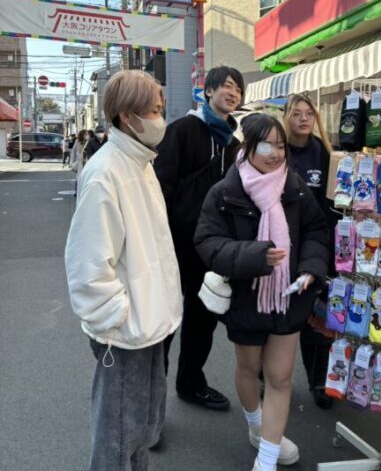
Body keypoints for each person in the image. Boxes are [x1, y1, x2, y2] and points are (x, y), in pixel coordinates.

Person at [194, 114, 329, 471]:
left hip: (288, 296)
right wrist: (256, 256)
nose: (275, 153)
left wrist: (310, 269)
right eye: (266, 145)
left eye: (280, 145)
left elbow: (316, 230)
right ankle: (256, 427)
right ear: (248, 146)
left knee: (280, 378)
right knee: (248, 368)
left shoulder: (294, 186)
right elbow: (207, 242)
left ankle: (266, 461)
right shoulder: (226, 192)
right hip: (246, 298)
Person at [65, 70, 182, 471]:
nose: (160, 119)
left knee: (142, 431)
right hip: (126, 332)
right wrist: (117, 318)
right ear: (126, 116)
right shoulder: (106, 172)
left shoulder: (139, 162)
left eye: (161, 110)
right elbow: (88, 265)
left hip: (147, 323)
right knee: (116, 440)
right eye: (154, 111)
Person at [154, 65, 244, 411]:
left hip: (213, 248)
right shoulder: (182, 130)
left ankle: (191, 383)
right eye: (227, 86)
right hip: (176, 243)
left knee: (203, 318)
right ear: (208, 91)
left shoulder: (235, 144)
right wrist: (159, 236)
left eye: (238, 89)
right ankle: (152, 402)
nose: (232, 93)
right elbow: (160, 187)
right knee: (165, 320)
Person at [283, 93, 336, 409]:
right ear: (286, 117)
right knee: (280, 314)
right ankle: (269, 377)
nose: (304, 118)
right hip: (282, 246)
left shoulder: (324, 153)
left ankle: (320, 380)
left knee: (316, 317)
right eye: (297, 113)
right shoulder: (277, 151)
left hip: (318, 246)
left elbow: (333, 204)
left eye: (309, 113)